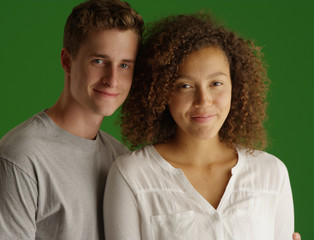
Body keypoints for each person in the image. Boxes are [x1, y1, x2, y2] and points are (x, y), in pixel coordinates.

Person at [104, 13, 295, 239]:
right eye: (184, 85)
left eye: (216, 83)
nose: (203, 101)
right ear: (162, 93)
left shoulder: (271, 173)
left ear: (237, 87)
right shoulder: (133, 175)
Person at [0, 0, 143, 239]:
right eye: (99, 61)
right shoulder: (19, 159)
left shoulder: (121, 158)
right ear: (67, 61)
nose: (112, 80)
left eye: (124, 65)